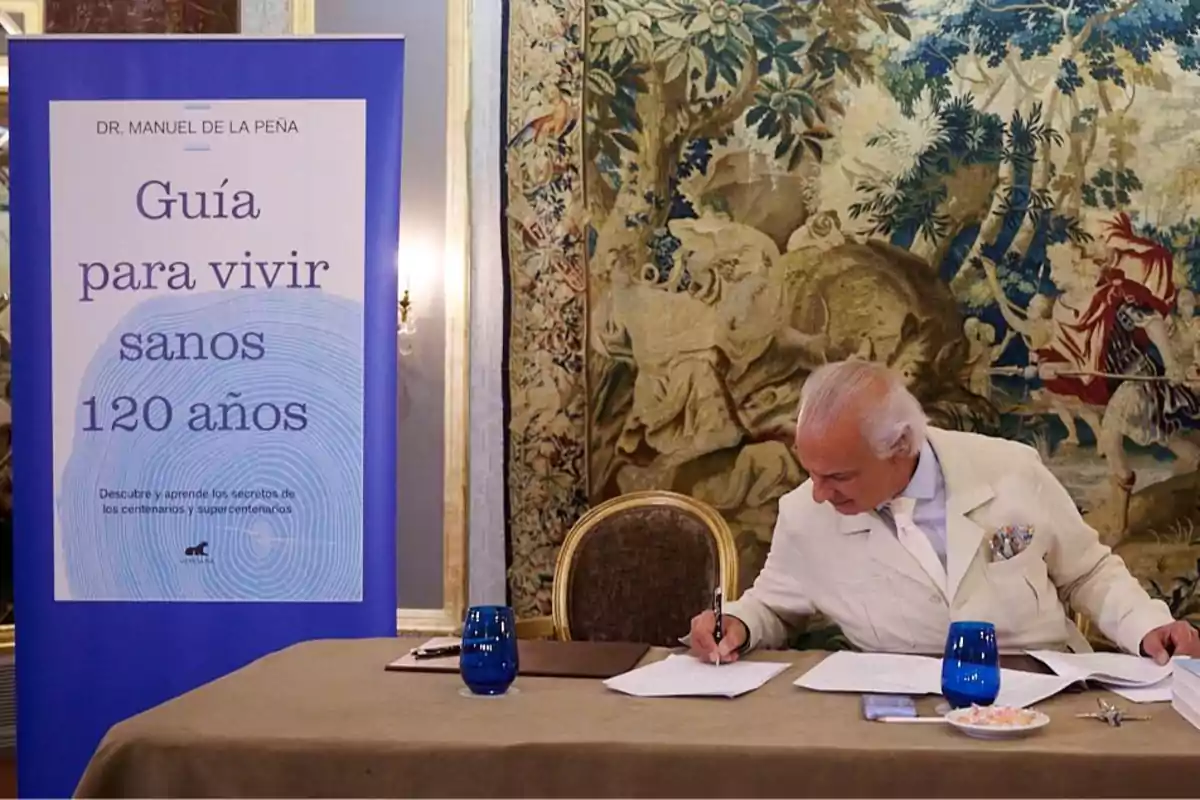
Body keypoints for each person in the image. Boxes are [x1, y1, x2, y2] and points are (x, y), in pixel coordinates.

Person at [689, 360, 1200, 665]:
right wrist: (735, 622)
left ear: (901, 445)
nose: (819, 493)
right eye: (812, 472)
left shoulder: (1010, 470)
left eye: (839, 476)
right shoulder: (805, 514)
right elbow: (774, 606)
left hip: (1043, 691)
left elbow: (1089, 571)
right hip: (903, 712)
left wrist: (1145, 627)